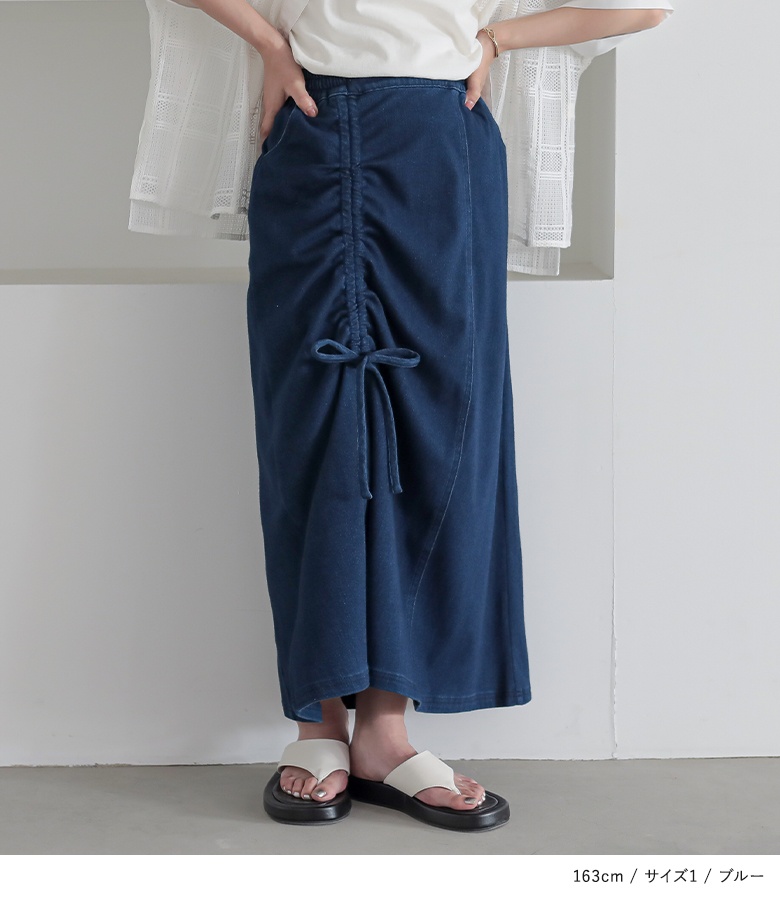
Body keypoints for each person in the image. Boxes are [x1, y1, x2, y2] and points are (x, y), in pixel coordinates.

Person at [129, 0, 674, 831]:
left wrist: (495, 40)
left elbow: (642, 8)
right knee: (311, 430)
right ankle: (319, 723)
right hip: (315, 133)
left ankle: (385, 732)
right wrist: (268, 42)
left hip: (441, 153)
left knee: (440, 437)